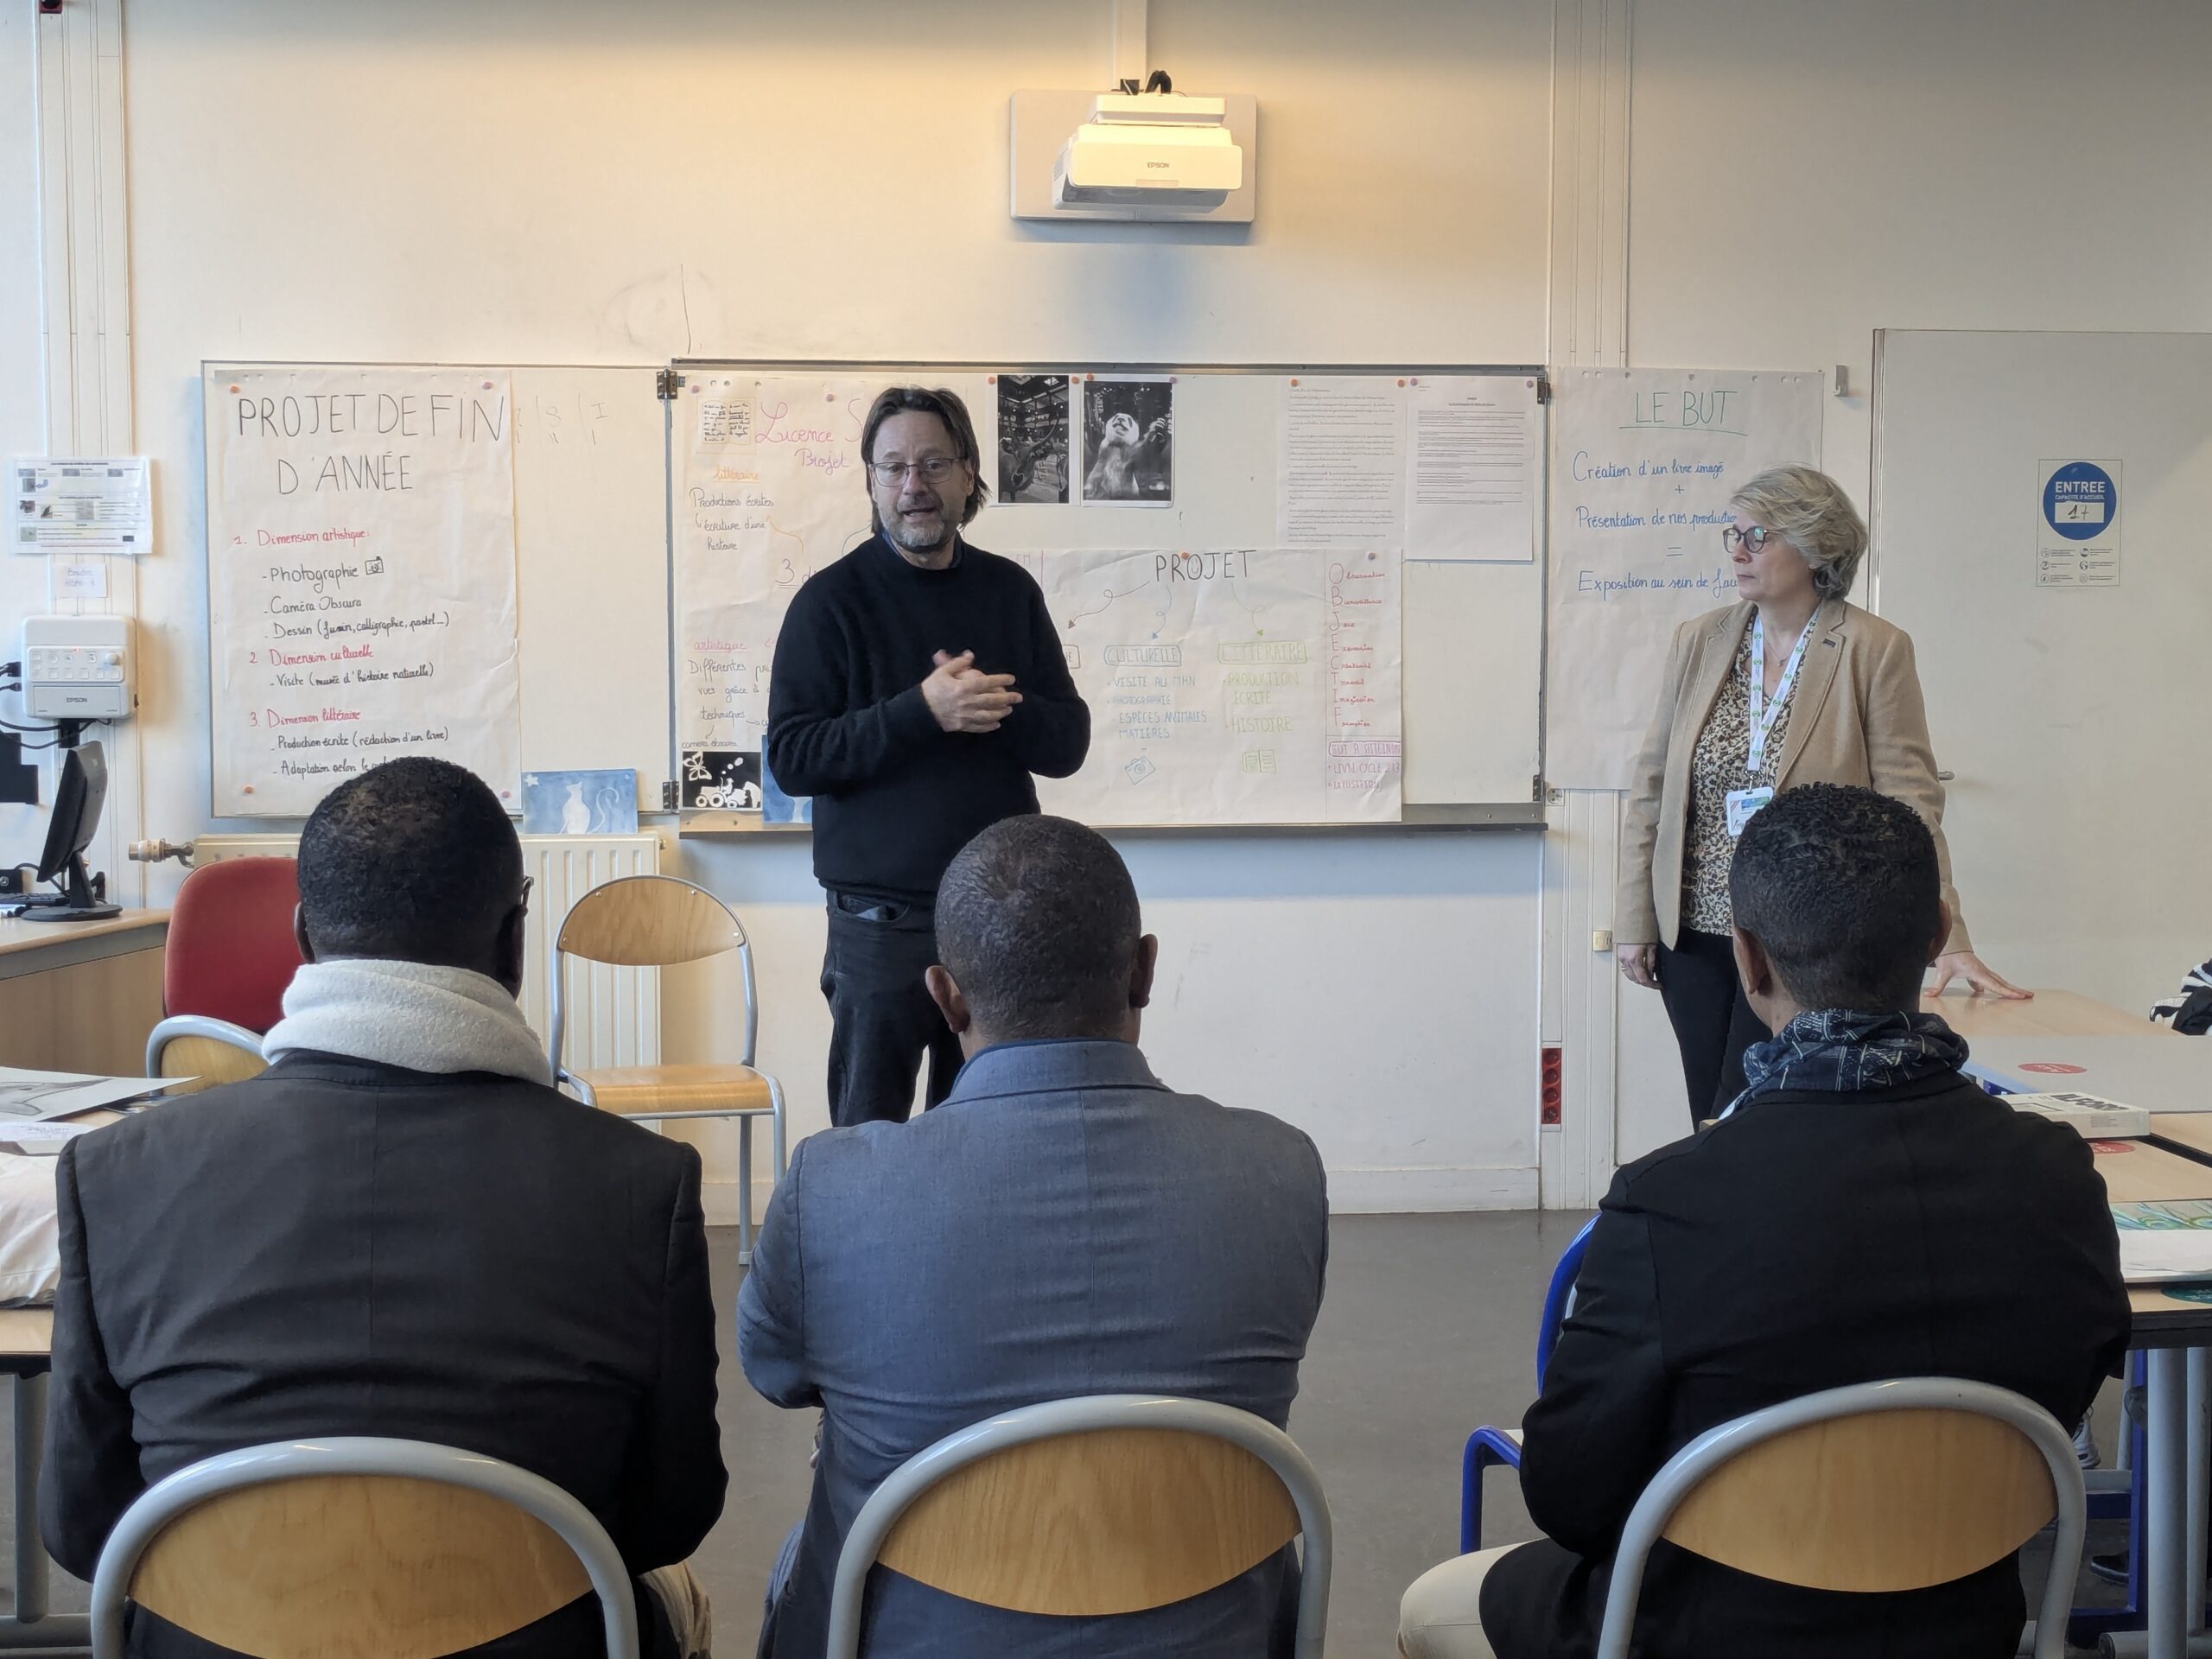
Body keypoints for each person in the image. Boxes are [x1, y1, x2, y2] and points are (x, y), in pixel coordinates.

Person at [1400, 782, 2130, 1659]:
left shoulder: (1670, 1200)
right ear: (1938, 934)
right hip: (1963, 1625)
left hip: (1703, 1631)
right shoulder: (2056, 1175)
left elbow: (1570, 1499)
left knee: (1434, 1606)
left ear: (1746, 959)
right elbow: (2071, 1388)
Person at [43, 757, 725, 1659]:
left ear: (302, 933)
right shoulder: (643, 1184)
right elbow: (671, 1514)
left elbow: (83, 1527)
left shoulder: (114, 1174)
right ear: (515, 939)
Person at [739, 814, 1329, 1659]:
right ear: (1144, 971)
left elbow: (777, 1374)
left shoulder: (829, 1187)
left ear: (944, 995)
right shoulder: (1280, 1172)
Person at [1614, 464, 2025, 1127]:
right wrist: (1635, 918)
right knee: (1709, 1110)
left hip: (1801, 934)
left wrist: (1947, 933)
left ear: (1815, 547)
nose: (1738, 551)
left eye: (1759, 536)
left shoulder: (1873, 648)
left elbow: (1911, 805)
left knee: (1760, 1111)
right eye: (1733, 534)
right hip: (1693, 931)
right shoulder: (1700, 640)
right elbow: (1652, 786)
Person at [766, 385, 1090, 1128]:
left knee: (980, 1130)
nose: (913, 484)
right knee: (868, 1134)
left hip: (997, 917)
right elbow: (793, 757)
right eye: (894, 467)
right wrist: (922, 711)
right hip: (878, 926)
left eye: (934, 464)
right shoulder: (829, 603)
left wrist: (990, 705)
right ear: (872, 481)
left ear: (969, 474)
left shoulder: (1010, 591)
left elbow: (1067, 744)